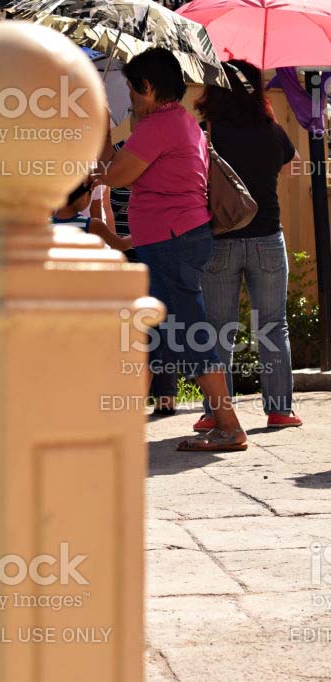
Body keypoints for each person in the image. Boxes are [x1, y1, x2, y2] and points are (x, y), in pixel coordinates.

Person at [97, 47, 247, 452]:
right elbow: (118, 168)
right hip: (175, 237)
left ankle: (229, 426)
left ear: (147, 87)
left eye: (130, 89)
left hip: (170, 241)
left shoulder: (158, 125)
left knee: (190, 333)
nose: (128, 97)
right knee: (154, 334)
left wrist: (102, 138)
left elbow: (115, 176)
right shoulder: (178, 121)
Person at [194, 59, 303, 430]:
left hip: (220, 239)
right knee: (273, 326)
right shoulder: (273, 131)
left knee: (218, 328)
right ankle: (279, 410)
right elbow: (294, 166)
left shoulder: (207, 132)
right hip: (268, 239)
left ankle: (215, 414)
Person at [52, 180, 133, 252]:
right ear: (85, 197)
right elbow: (121, 245)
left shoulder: (44, 224)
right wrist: (142, 232)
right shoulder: (92, 225)